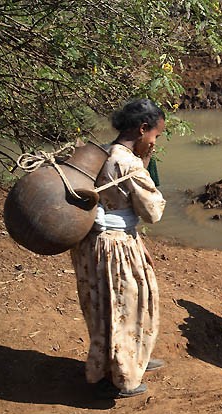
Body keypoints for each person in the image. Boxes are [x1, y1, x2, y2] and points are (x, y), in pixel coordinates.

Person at [70, 99, 167, 398]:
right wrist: (146, 164)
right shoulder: (127, 164)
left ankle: (129, 360)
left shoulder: (101, 153)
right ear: (142, 129)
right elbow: (153, 211)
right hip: (115, 246)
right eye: (156, 135)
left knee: (104, 306)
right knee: (126, 307)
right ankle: (125, 378)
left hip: (92, 242)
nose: (155, 141)